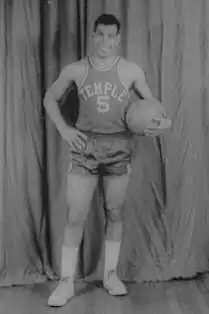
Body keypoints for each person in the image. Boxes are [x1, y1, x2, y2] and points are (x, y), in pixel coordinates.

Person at [44, 13, 162, 307]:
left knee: (115, 212)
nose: (105, 42)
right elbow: (49, 98)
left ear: (118, 39)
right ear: (92, 36)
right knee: (75, 217)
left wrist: (159, 122)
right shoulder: (76, 70)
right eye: (100, 35)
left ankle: (110, 275)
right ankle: (66, 282)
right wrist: (64, 129)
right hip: (85, 149)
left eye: (111, 36)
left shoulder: (131, 71)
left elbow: (155, 108)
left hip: (119, 150)